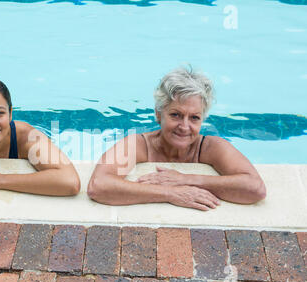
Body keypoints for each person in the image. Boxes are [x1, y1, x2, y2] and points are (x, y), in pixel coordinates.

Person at [87, 66, 266, 211]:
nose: (184, 126)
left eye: (194, 118)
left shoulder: (212, 147)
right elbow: (99, 185)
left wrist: (186, 179)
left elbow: (254, 188)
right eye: (176, 115)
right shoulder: (139, 144)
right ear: (159, 114)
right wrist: (170, 194)